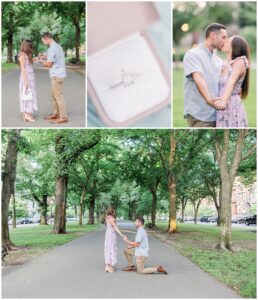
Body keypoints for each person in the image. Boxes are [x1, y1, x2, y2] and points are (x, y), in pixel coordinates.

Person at [183, 23, 227, 127]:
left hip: (218, 116)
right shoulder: (193, 55)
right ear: (213, 35)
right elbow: (199, 78)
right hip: (200, 116)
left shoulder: (218, 60)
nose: (225, 41)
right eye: (223, 37)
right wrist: (209, 100)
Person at [214, 35, 249, 127]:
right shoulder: (225, 65)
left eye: (228, 41)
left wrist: (224, 101)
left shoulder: (241, 61)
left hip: (232, 106)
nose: (224, 42)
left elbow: (231, 81)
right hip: (221, 108)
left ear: (235, 47)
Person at [39, 32, 68, 124]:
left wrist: (41, 61)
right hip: (57, 74)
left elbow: (48, 64)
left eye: (43, 40)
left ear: (47, 38)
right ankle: (56, 114)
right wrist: (45, 56)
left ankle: (63, 117)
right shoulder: (56, 46)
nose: (43, 42)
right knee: (53, 95)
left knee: (58, 96)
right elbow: (54, 57)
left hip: (56, 75)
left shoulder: (52, 48)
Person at [18, 39, 38, 122]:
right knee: (27, 96)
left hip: (30, 78)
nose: (31, 48)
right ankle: (27, 115)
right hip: (26, 78)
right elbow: (22, 69)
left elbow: (30, 63)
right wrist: (26, 81)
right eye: (30, 46)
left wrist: (37, 58)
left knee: (29, 95)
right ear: (26, 46)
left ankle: (26, 114)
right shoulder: (22, 55)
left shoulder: (26, 55)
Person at [104, 207, 126, 273]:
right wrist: (121, 234)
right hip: (110, 235)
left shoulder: (108, 217)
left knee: (110, 249)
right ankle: (107, 267)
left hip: (109, 234)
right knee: (110, 249)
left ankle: (109, 265)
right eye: (114, 211)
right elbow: (115, 227)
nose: (115, 212)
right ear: (112, 212)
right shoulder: (110, 218)